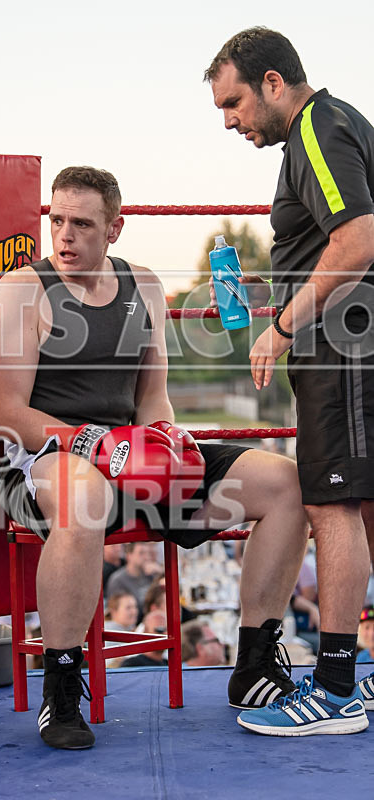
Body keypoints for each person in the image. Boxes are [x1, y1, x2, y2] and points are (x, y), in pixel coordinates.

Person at [0, 165, 309, 751]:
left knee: (283, 481)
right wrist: (94, 444)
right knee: (84, 496)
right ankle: (61, 688)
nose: (64, 235)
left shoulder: (146, 286)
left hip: (129, 454)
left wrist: (162, 440)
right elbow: (9, 413)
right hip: (45, 458)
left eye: (82, 223)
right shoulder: (22, 290)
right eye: (55, 220)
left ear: (115, 228)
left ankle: (255, 662)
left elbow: (152, 392)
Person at [205, 25, 374, 736]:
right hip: (347, 344)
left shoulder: (313, 129)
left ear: (274, 82)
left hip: (344, 351)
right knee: (361, 509)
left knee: (332, 508)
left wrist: (281, 325)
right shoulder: (342, 123)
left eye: (234, 102)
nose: (231, 121)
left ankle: (336, 689)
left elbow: (358, 239)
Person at [105, 542, 162, 616]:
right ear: (129, 556)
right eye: (141, 553)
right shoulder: (118, 580)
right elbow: (118, 612)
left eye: (147, 553)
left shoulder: (151, 575)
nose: (146, 557)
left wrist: (160, 573)